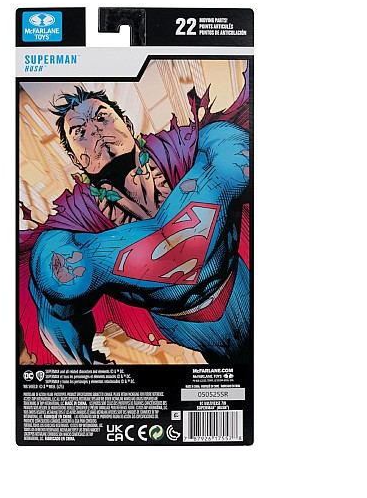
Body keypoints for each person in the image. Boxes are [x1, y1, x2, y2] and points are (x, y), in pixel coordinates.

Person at [20, 77, 250, 367]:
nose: (95, 131)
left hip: (239, 288)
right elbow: (55, 302)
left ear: (127, 125)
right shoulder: (77, 221)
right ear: (77, 161)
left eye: (102, 118)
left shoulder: (184, 149)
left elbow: (232, 152)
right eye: (80, 132)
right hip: (185, 325)